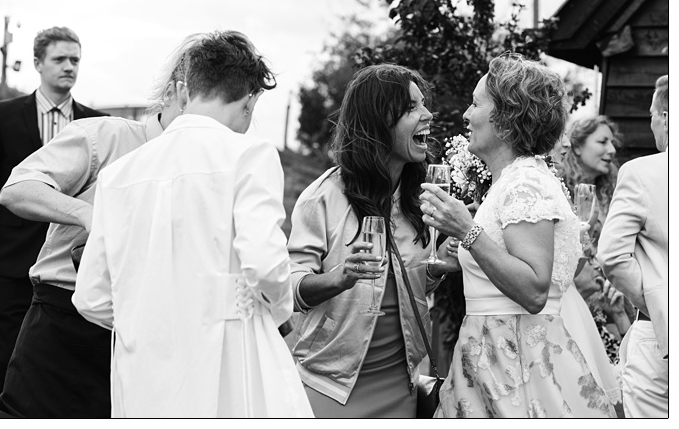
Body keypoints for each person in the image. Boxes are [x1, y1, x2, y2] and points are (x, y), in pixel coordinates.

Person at [73, 30, 312, 417]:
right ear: (250, 100)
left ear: (186, 90)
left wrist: (150, 315)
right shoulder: (250, 155)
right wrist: (280, 312)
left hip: (143, 378)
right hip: (231, 363)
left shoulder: (119, 174)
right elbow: (266, 265)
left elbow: (90, 298)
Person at [0, 45, 190, 418]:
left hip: (144, 335)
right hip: (64, 324)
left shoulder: (206, 170)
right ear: (179, 92)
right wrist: (88, 214)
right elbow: (17, 188)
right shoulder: (102, 135)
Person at [418, 53, 617, 417]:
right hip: (490, 355)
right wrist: (461, 251)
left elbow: (533, 289)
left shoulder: (525, 184)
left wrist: (467, 229)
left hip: (514, 366)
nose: (466, 114)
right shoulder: (515, 180)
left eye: (475, 103)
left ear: (506, 118)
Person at [287, 64, 458, 417]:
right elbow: (288, 288)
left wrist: (438, 266)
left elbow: (410, 282)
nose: (428, 115)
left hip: (402, 385)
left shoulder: (420, 199)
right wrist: (339, 278)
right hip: (330, 388)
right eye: (412, 108)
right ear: (378, 121)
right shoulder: (321, 197)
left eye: (423, 104)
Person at [0, 26, 105, 414]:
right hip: (11, 260)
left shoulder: (97, 124)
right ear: (38, 64)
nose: (69, 67)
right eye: (59, 59)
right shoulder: (4, 114)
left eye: (75, 60)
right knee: (3, 359)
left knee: (63, 369)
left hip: (70, 269)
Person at [597, 74, 668, 418]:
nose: (651, 121)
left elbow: (611, 256)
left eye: (653, 114)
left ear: (667, 116)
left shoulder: (640, 172)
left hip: (659, 338)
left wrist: (658, 303)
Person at [558, 115, 635, 364]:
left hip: (612, 301)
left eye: (613, 143)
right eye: (602, 142)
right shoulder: (558, 190)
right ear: (577, 146)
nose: (611, 150)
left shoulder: (614, 191)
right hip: (572, 299)